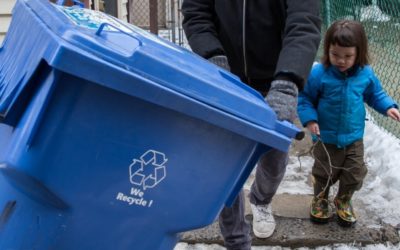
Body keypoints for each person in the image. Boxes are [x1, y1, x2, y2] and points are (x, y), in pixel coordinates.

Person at [182, 1, 321, 249]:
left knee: (274, 162)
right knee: (224, 167)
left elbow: (303, 22)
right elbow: (196, 12)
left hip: (276, 82)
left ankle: (260, 200)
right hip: (226, 77)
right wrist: (212, 56)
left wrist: (288, 80)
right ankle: (236, 240)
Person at [297, 20, 400, 227]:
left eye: (347, 56)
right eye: (335, 55)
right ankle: (321, 199)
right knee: (324, 172)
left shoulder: (365, 74)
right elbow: (305, 99)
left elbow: (375, 94)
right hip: (326, 137)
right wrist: (310, 119)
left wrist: (388, 106)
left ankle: (343, 199)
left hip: (353, 137)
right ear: (328, 51)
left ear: (359, 53)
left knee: (354, 173)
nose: (341, 61)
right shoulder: (319, 74)